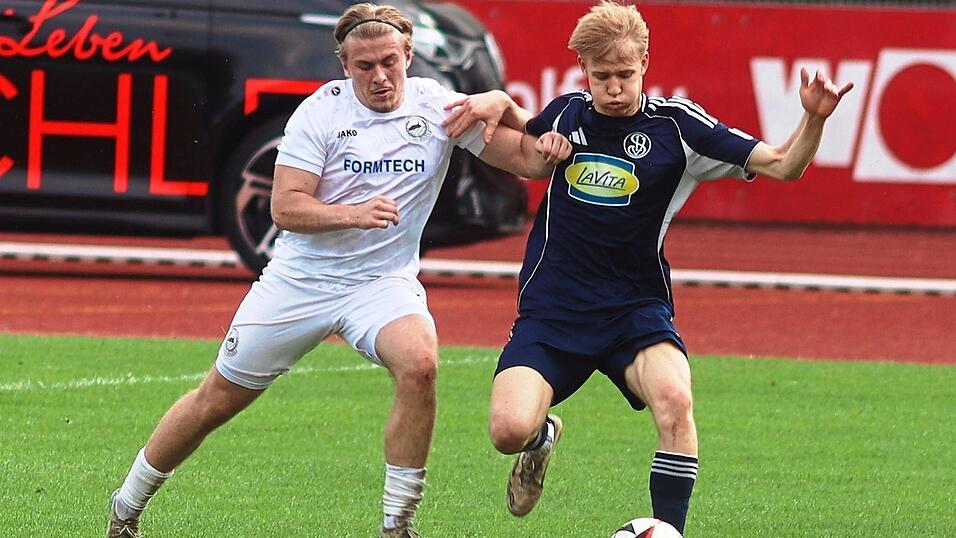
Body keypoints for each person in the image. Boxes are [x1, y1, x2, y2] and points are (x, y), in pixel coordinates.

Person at [104, 4, 570, 538]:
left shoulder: (440, 108)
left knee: (419, 364)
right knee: (215, 400)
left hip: (381, 284)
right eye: (364, 66)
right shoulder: (318, 115)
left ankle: (397, 526)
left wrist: (514, 112)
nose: (379, 77)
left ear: (409, 56)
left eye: (389, 62)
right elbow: (284, 208)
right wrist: (353, 214)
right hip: (300, 282)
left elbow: (530, 161)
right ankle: (126, 508)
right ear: (344, 66)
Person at [443, 1, 853, 534]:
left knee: (676, 402)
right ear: (584, 73)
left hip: (635, 311)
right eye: (601, 76)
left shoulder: (678, 128)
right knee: (507, 431)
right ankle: (542, 438)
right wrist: (511, 109)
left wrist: (813, 118)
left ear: (645, 65)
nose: (613, 87)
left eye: (624, 74)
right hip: (553, 311)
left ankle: (668, 530)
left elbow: (784, 165)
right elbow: (526, 129)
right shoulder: (569, 111)